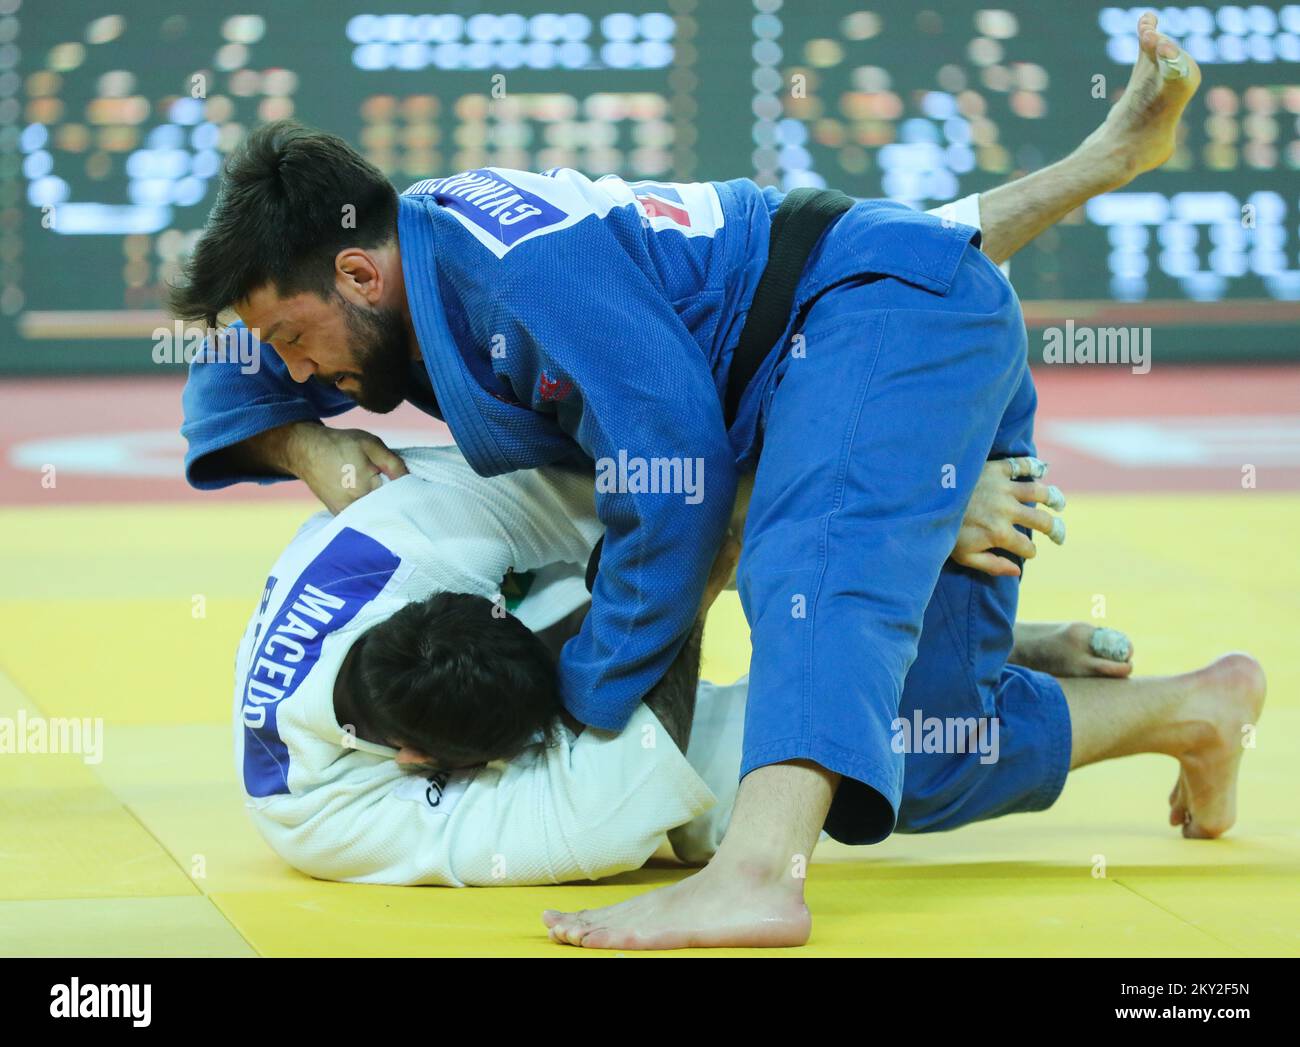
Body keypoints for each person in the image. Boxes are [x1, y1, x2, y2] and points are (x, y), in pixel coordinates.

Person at [182, 14, 1234, 949]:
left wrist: (587, 698)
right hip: (882, 319)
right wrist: (302, 448)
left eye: (292, 336)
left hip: (871, 324)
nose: (296, 370)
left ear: (358, 274)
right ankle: (1194, 711)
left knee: (807, 572)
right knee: (914, 750)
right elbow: (232, 369)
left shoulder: (512, 272)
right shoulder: (402, 275)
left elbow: (680, 481)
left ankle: (755, 879)